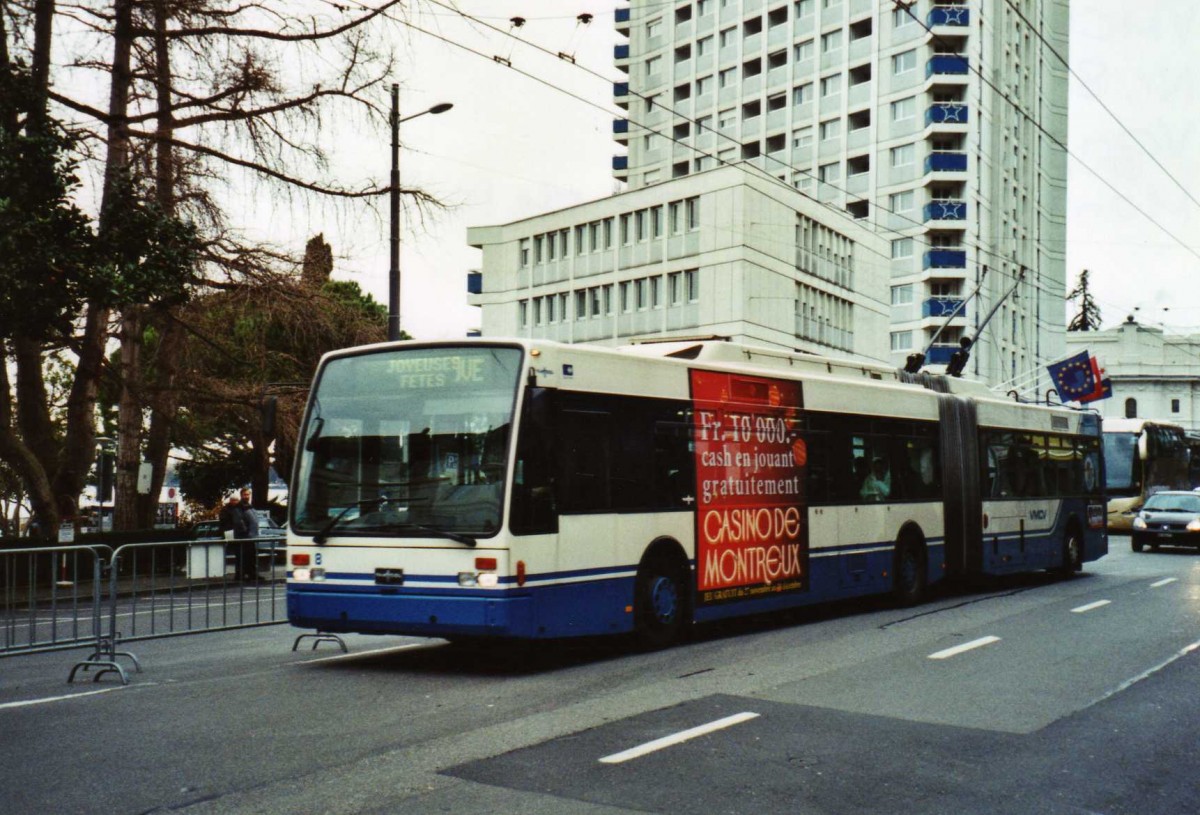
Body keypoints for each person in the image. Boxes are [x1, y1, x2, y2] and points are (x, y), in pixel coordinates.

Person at [218, 492, 249, 580]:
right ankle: (239, 574)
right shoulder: (231, 510)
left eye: (237, 500)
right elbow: (230, 522)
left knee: (240, 555)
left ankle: (240, 573)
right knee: (239, 554)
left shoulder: (232, 509)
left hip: (235, 533)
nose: (236, 502)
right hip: (233, 533)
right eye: (235, 500)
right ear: (231, 500)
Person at [235, 488, 260, 581]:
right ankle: (241, 575)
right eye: (245, 494)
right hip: (244, 536)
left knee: (251, 556)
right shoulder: (239, 507)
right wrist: (246, 532)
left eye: (248, 494)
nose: (247, 496)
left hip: (251, 536)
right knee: (243, 556)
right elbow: (239, 520)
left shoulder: (249, 506)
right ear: (241, 495)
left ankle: (251, 573)